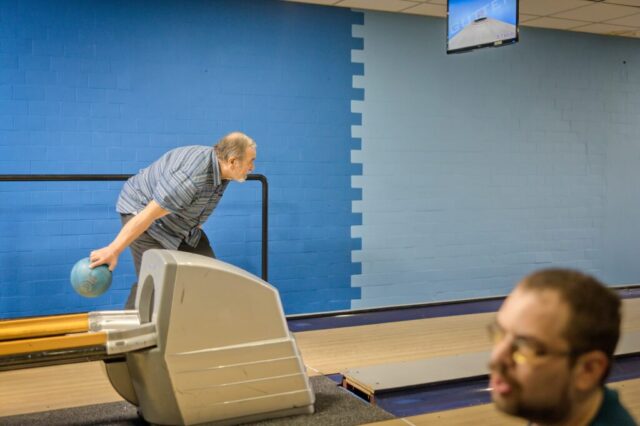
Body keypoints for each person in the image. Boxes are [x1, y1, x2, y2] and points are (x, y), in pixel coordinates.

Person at [89, 131, 256, 308]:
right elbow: (148, 214)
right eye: (251, 161)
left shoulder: (223, 170)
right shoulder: (192, 176)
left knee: (209, 275)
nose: (252, 167)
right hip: (144, 215)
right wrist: (113, 250)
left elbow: (199, 204)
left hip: (179, 225)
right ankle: (133, 324)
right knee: (155, 284)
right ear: (233, 161)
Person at [488, 268, 637, 426]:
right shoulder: (552, 408)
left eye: (526, 347)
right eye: (500, 334)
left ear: (588, 370)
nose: (496, 359)